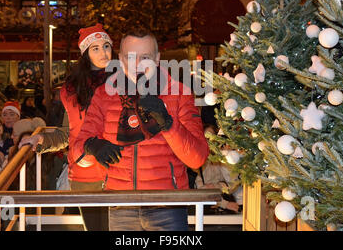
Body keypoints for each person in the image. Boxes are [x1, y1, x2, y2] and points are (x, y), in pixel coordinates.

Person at [73, 28, 209, 231]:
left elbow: (197, 158)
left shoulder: (179, 93)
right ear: (119, 59)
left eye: (145, 57)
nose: (137, 64)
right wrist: (92, 146)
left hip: (167, 205)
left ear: (157, 59)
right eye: (130, 56)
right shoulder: (104, 95)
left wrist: (168, 124)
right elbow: (77, 151)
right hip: (120, 205)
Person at [19, 23, 114, 231]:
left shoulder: (124, 82)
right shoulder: (73, 89)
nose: (103, 52)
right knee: (96, 228)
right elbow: (68, 133)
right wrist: (41, 140)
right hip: (86, 171)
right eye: (95, 48)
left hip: (119, 169)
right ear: (86, 53)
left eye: (106, 46)